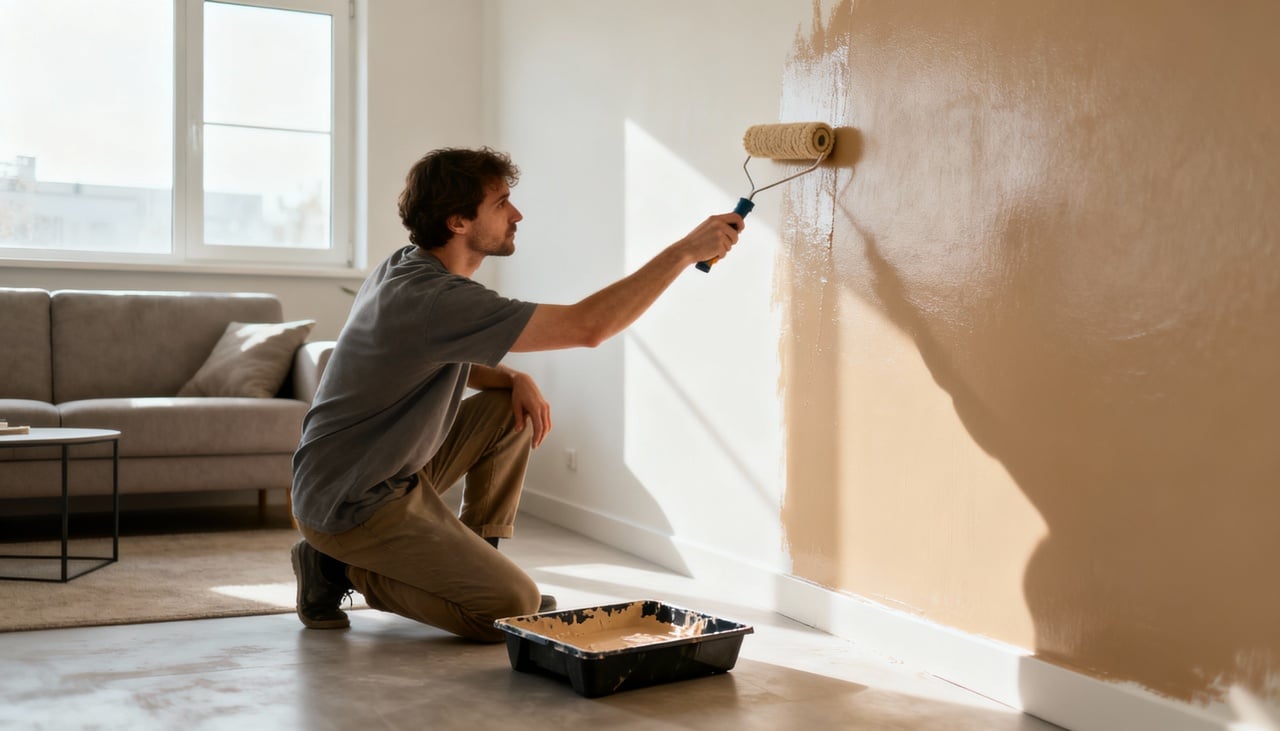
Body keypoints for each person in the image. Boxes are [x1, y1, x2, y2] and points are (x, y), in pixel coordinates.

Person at [290, 146, 742, 641]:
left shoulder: (411, 265)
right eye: (502, 203)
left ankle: (477, 562)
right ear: (459, 221)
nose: (517, 214)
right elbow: (588, 326)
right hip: (352, 499)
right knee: (509, 608)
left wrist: (514, 378)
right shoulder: (433, 297)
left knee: (512, 409)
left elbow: (434, 354)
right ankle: (335, 567)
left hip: (378, 469)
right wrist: (683, 252)